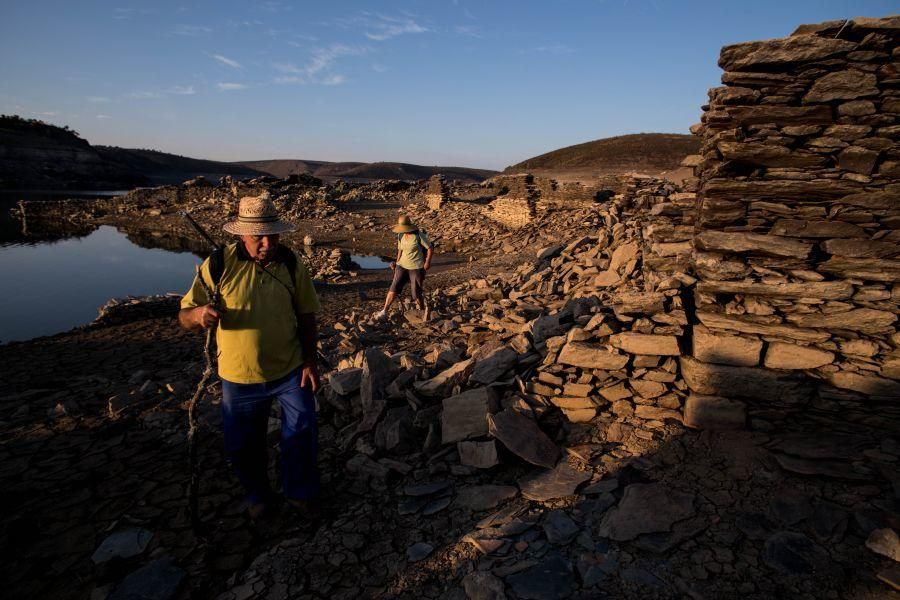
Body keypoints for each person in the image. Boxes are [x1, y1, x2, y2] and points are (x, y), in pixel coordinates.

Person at [178, 193, 321, 519]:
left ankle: (299, 494)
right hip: (239, 378)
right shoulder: (217, 265)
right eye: (259, 236)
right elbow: (183, 315)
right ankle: (258, 496)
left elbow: (307, 314)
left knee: (301, 434)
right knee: (243, 446)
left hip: (290, 371)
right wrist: (199, 314)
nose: (267, 243)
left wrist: (310, 361)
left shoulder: (291, 263)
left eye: (273, 234)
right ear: (242, 234)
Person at [374, 214, 433, 319]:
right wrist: (396, 263)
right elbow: (400, 250)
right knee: (394, 287)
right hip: (402, 265)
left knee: (416, 292)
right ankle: (384, 311)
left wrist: (427, 262)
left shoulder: (418, 235)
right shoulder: (400, 235)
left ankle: (422, 311)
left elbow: (429, 247)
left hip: (416, 266)